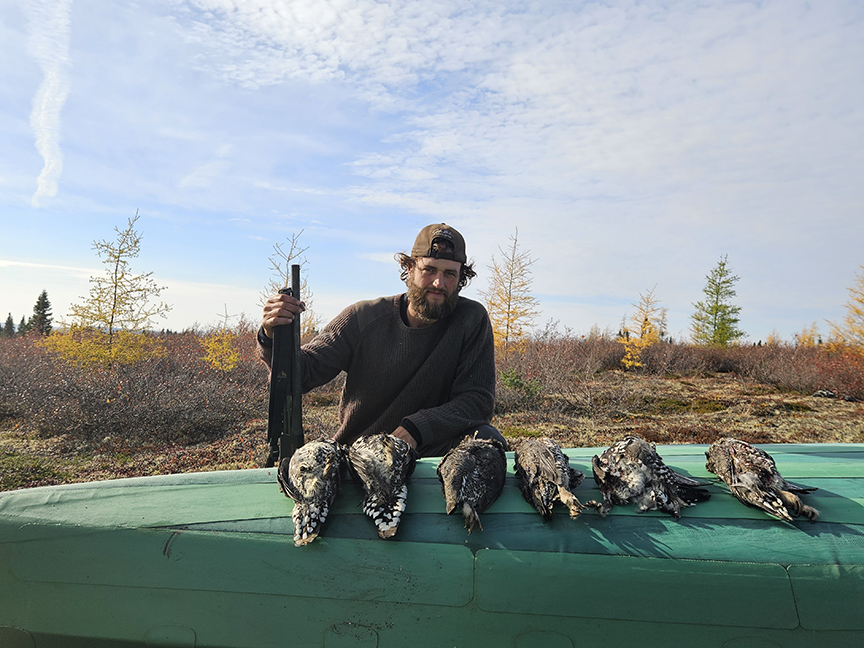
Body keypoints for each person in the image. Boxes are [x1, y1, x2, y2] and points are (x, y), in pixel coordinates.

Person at [257, 223, 507, 457]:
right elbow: (304, 372)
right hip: (363, 455)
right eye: (429, 270)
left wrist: (417, 429)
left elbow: (477, 401)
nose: (438, 283)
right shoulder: (364, 318)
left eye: (449, 274)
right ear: (409, 269)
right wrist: (272, 335)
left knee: (487, 440)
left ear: (461, 278)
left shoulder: (471, 320)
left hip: (432, 453)